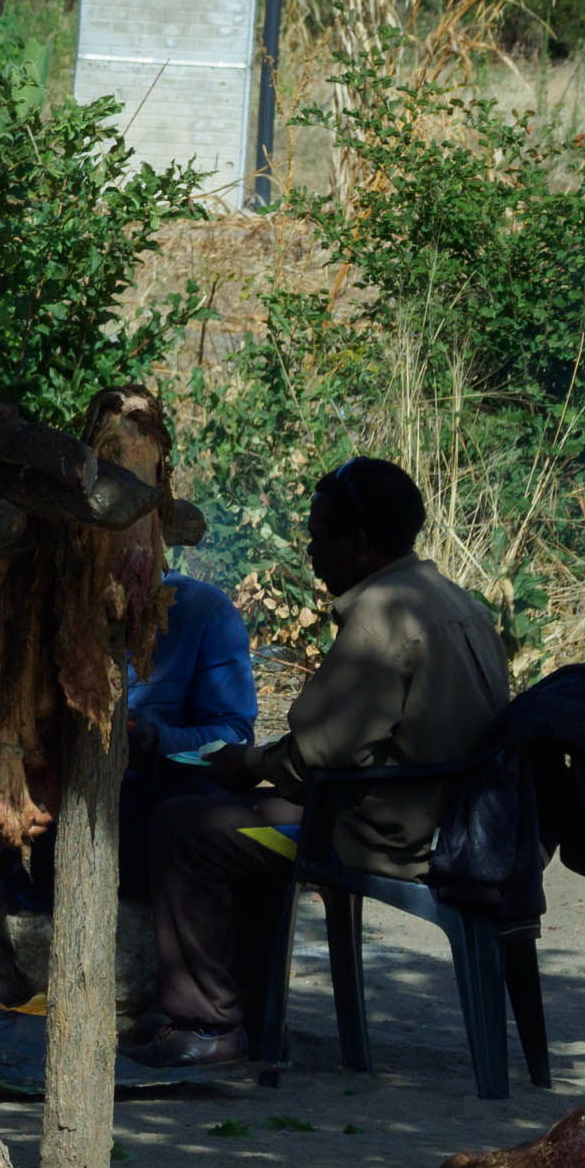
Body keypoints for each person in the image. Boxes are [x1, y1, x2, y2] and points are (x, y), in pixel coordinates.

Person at [129, 457, 509, 1068]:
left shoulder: (384, 613)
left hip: (382, 833)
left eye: (318, 537)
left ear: (360, 543)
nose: (310, 552)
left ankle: (207, 1023)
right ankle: (248, 1012)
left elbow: (320, 752)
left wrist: (245, 762)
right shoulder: (453, 599)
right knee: (233, 822)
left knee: (186, 827)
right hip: (449, 820)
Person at [117, 567, 259, 895]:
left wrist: (159, 741)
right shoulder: (58, 605)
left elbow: (234, 734)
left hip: (154, 807)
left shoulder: (203, 611)